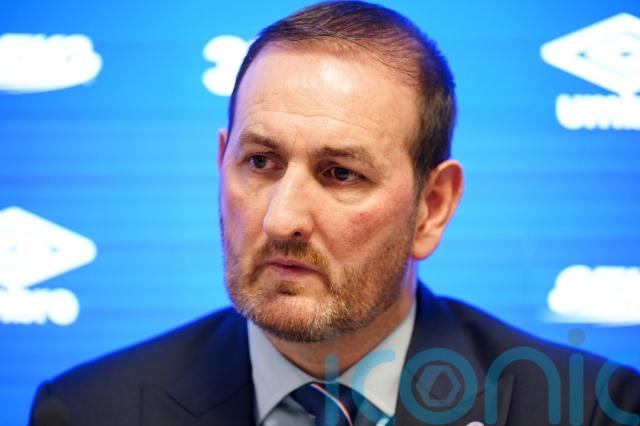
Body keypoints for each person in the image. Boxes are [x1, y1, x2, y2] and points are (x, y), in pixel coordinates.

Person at [30, 1, 640, 425]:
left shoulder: (589, 410)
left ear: (431, 208)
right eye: (260, 162)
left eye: (340, 173)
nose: (281, 220)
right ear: (222, 163)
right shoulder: (87, 411)